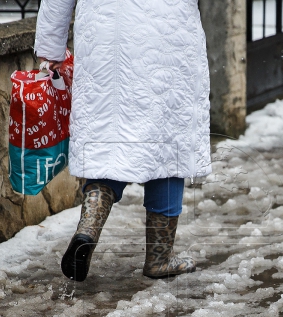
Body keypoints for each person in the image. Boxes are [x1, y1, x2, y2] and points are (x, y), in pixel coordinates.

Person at [35, 0, 211, 282]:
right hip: (169, 34)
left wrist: (50, 48)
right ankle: (159, 258)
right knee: (166, 143)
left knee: (110, 141)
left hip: (105, 39)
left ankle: (88, 228)